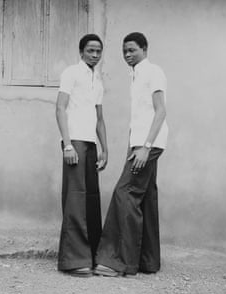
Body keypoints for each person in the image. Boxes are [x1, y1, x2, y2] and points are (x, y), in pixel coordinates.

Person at [94, 32, 168, 276]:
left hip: (150, 144)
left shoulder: (153, 71)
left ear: (144, 49)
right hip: (140, 145)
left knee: (124, 193)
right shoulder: (135, 76)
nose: (127, 55)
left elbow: (160, 112)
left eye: (132, 50)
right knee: (146, 196)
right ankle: (148, 261)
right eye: (124, 51)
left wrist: (146, 147)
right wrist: (132, 148)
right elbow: (137, 119)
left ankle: (118, 263)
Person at [56, 34, 108, 277]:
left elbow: (99, 118)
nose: (94, 55)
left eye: (98, 51)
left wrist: (105, 148)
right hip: (74, 141)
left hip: (90, 144)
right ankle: (73, 260)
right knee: (75, 199)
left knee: (91, 200)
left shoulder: (97, 80)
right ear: (81, 51)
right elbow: (60, 108)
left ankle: (92, 255)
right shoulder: (71, 73)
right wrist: (67, 145)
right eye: (90, 50)